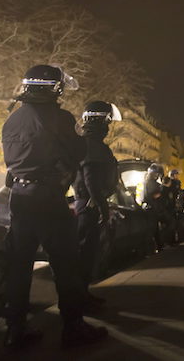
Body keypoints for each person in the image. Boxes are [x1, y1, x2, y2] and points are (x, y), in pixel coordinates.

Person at [1, 64, 107, 349]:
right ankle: (73, 327)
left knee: (19, 265)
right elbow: (78, 151)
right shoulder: (60, 118)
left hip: (19, 198)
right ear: (55, 88)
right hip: (48, 196)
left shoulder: (12, 119)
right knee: (65, 264)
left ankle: (15, 330)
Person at [73, 100, 121, 305]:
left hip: (85, 204)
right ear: (103, 122)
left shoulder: (84, 143)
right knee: (85, 253)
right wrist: (101, 206)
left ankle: (81, 294)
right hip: (89, 205)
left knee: (85, 252)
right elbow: (90, 179)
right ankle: (79, 298)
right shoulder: (94, 147)